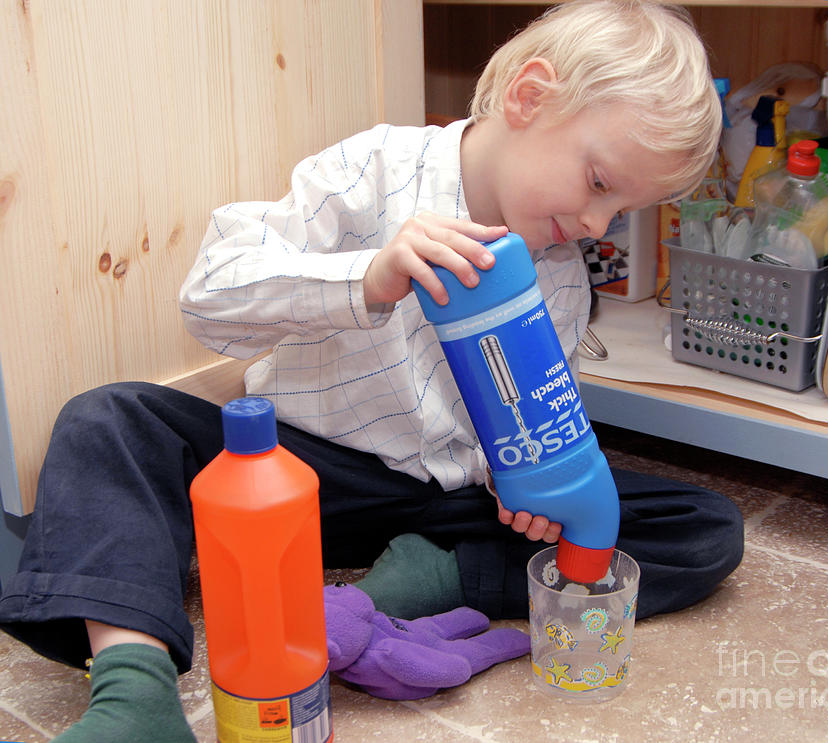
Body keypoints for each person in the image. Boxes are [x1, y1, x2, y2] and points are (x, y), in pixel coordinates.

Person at [0, 1, 743, 740]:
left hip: (448, 503)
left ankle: (422, 582)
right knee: (109, 420)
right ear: (530, 97)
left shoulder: (563, 279)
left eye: (623, 212)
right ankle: (135, 694)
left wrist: (522, 486)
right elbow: (209, 296)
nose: (596, 225)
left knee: (706, 528)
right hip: (301, 477)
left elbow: (531, 421)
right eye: (600, 184)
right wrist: (367, 278)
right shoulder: (372, 168)